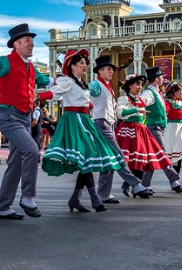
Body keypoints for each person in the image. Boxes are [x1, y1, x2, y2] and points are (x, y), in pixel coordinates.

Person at [0, 23, 54, 219]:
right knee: (31, 150)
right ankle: (28, 197)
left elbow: (44, 80)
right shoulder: (5, 62)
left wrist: (61, 81)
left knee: (15, 163)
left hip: (24, 118)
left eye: (32, 40)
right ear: (16, 44)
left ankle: (2, 206)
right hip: (10, 117)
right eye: (28, 40)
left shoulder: (30, 67)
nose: (32, 43)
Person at [39, 49, 124, 213]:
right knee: (87, 158)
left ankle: (76, 199)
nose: (85, 65)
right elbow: (55, 92)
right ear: (72, 66)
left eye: (86, 63)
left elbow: (83, 99)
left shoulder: (81, 83)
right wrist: (38, 97)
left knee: (88, 159)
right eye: (82, 63)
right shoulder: (67, 81)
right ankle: (94, 200)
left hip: (84, 120)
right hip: (74, 120)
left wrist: (89, 105)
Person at [88, 55, 154, 203]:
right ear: (101, 71)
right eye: (109, 69)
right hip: (101, 123)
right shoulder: (96, 85)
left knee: (109, 160)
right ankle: (135, 184)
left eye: (112, 69)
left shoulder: (108, 87)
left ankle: (103, 195)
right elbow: (88, 90)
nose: (112, 72)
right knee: (118, 155)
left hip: (109, 124)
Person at [115, 73, 180, 195]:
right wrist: (136, 109)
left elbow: (151, 102)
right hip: (129, 129)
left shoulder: (140, 98)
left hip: (141, 129)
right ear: (130, 86)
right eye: (137, 84)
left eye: (141, 84)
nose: (140, 87)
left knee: (145, 158)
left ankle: (133, 185)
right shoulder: (124, 99)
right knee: (132, 159)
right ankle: (135, 185)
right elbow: (120, 113)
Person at [138, 65, 182, 193]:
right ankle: (174, 181)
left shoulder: (158, 92)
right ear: (156, 79)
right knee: (162, 153)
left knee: (152, 156)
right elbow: (142, 102)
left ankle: (144, 184)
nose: (163, 78)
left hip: (159, 127)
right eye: (161, 76)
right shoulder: (149, 93)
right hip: (154, 127)